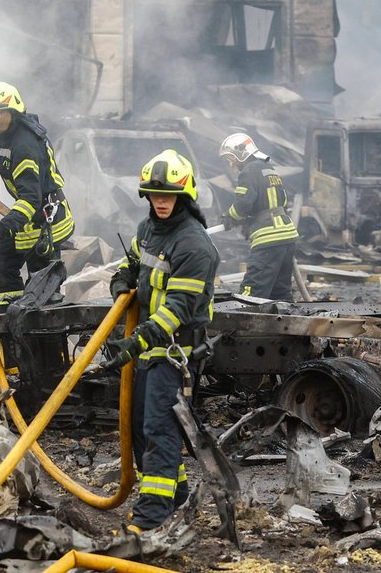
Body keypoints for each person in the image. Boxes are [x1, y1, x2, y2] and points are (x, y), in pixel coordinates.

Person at [106, 149, 219, 534]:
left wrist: (133, 343)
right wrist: (120, 280)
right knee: (140, 426)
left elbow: (178, 309)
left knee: (160, 429)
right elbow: (134, 263)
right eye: (155, 194)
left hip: (177, 353)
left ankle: (152, 516)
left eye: (168, 194)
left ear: (184, 195)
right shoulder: (147, 230)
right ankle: (179, 495)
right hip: (150, 350)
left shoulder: (194, 245)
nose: (162, 201)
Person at [0, 81, 74, 312]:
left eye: (1, 112)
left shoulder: (25, 145)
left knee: (41, 291)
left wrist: (6, 226)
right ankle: (9, 315)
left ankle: (32, 333)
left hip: (44, 224)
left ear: (14, 111)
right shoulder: (11, 135)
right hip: (29, 221)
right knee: (0, 262)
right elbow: (2, 152)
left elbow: (31, 198)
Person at [218, 132, 299, 299]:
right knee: (280, 293)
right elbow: (280, 201)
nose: (231, 163)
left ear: (239, 155)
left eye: (231, 158)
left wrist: (229, 218)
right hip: (287, 237)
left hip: (268, 239)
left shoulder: (248, 171)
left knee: (251, 293)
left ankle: (245, 323)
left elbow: (243, 204)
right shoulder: (270, 169)